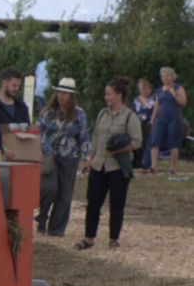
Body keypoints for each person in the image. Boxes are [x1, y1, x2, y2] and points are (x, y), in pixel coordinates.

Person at [78, 77, 142, 249]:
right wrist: (89, 161)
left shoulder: (130, 117)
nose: (106, 97)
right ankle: (89, 237)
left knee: (117, 203)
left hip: (117, 167)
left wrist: (118, 151)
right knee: (93, 202)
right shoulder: (102, 114)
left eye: (109, 94)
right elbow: (96, 138)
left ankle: (114, 238)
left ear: (119, 95)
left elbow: (137, 141)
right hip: (99, 164)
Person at [37, 78, 88, 237]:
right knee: (49, 189)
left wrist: (87, 158)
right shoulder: (47, 112)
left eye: (65, 92)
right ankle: (42, 216)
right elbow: (38, 133)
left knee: (65, 195)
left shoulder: (78, 113)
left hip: (70, 157)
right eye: (59, 91)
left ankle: (56, 229)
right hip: (49, 157)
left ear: (71, 95)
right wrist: (42, 150)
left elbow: (83, 136)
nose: (61, 95)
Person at [148, 66, 188, 178]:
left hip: (173, 118)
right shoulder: (159, 90)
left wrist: (174, 93)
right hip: (160, 118)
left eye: (167, 76)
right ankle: (153, 166)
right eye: (163, 76)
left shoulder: (178, 87)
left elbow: (183, 102)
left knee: (173, 142)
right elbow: (157, 105)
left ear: (172, 76)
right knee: (155, 141)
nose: (165, 78)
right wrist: (152, 119)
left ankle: (173, 168)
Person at [132, 77, 158, 171]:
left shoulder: (154, 98)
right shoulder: (136, 100)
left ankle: (148, 162)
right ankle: (137, 161)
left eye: (146, 88)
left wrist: (152, 122)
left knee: (148, 142)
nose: (144, 90)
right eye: (142, 89)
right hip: (138, 123)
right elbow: (133, 112)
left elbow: (156, 110)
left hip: (151, 121)